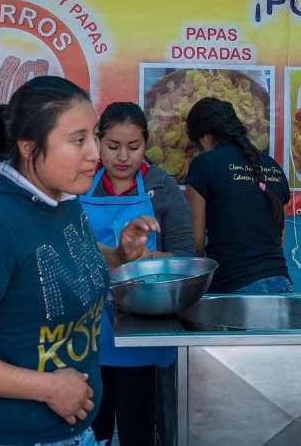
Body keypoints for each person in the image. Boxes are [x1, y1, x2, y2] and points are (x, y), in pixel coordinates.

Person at [0, 76, 158, 446]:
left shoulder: (63, 199)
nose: (95, 153)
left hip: (72, 432)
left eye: (94, 136)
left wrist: (118, 255)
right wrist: (47, 387)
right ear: (29, 147)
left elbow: (59, 262)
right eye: (78, 140)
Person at [82, 102, 195, 446]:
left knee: (138, 430)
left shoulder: (161, 186)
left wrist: (145, 257)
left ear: (146, 144)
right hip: (87, 328)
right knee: (92, 429)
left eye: (134, 147)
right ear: (97, 141)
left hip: (143, 328)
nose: (122, 157)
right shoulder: (81, 183)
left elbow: (186, 257)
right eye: (112, 147)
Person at [184, 98, 292, 294]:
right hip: (282, 285)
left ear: (206, 137)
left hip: (232, 289)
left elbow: (196, 246)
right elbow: (279, 240)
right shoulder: (274, 167)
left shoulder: (203, 165)